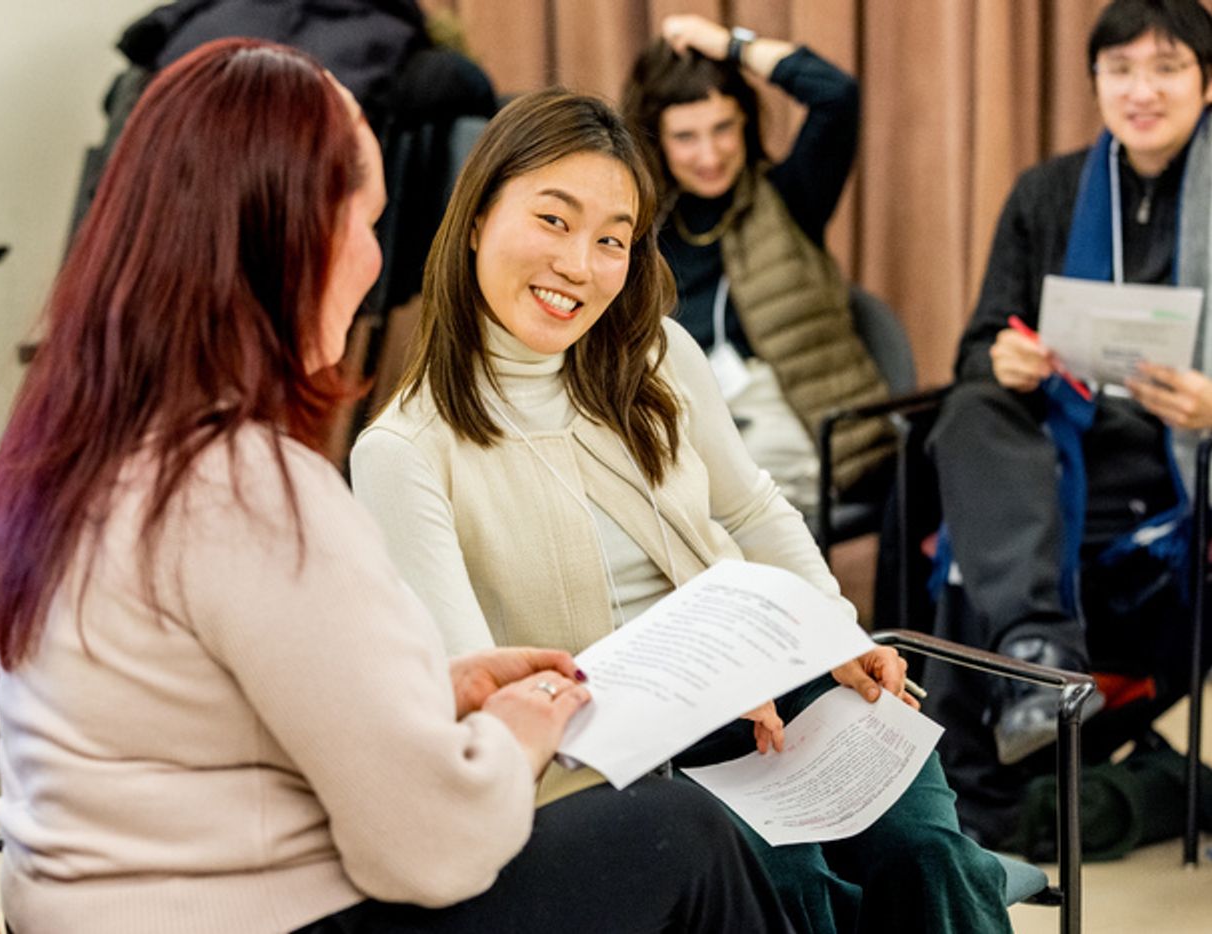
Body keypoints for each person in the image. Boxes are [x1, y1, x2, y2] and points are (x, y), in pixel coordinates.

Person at [0, 39, 792, 934]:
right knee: (676, 835)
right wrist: (517, 732)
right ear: (283, 238)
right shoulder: (257, 492)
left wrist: (439, 690)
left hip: (98, 908)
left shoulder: (77, 455)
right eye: (364, 224)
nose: (376, 264)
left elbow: (212, 714)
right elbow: (434, 848)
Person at [351, 87, 1012, 934]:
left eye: (611, 240)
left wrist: (836, 633)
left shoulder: (656, 353)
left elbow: (755, 508)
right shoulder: (404, 453)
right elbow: (489, 704)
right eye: (553, 221)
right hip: (624, 764)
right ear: (476, 217)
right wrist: (697, 693)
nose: (580, 266)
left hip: (768, 690)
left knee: (936, 861)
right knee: (801, 890)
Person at [925, 0, 1212, 847]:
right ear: (1095, 83)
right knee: (971, 410)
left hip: (1175, 466)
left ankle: (1017, 743)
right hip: (1058, 450)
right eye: (1119, 70)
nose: (1141, 91)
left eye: (1166, 69)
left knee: (987, 525)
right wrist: (1002, 361)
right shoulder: (1046, 192)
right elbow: (983, 341)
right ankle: (1039, 653)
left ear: (1207, 82)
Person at [620, 14, 892, 518]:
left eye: (723, 128)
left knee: (716, 515)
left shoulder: (788, 197)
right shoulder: (640, 228)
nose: (710, 154)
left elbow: (837, 95)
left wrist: (728, 45)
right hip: (676, 418)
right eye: (686, 137)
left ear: (745, 121)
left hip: (782, 419)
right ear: (656, 140)